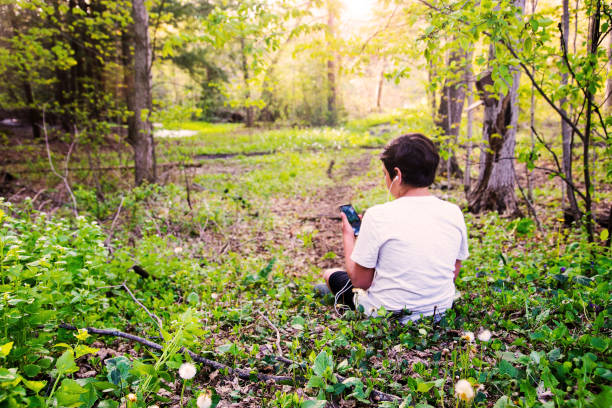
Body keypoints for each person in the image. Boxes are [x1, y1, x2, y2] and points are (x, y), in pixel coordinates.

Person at [319, 133, 469, 322]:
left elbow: (361, 282)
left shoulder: (378, 215)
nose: (385, 180)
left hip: (387, 314)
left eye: (385, 174)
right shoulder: (453, 212)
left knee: (330, 273)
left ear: (397, 175)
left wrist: (348, 236)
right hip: (439, 311)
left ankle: (333, 289)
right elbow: (453, 272)